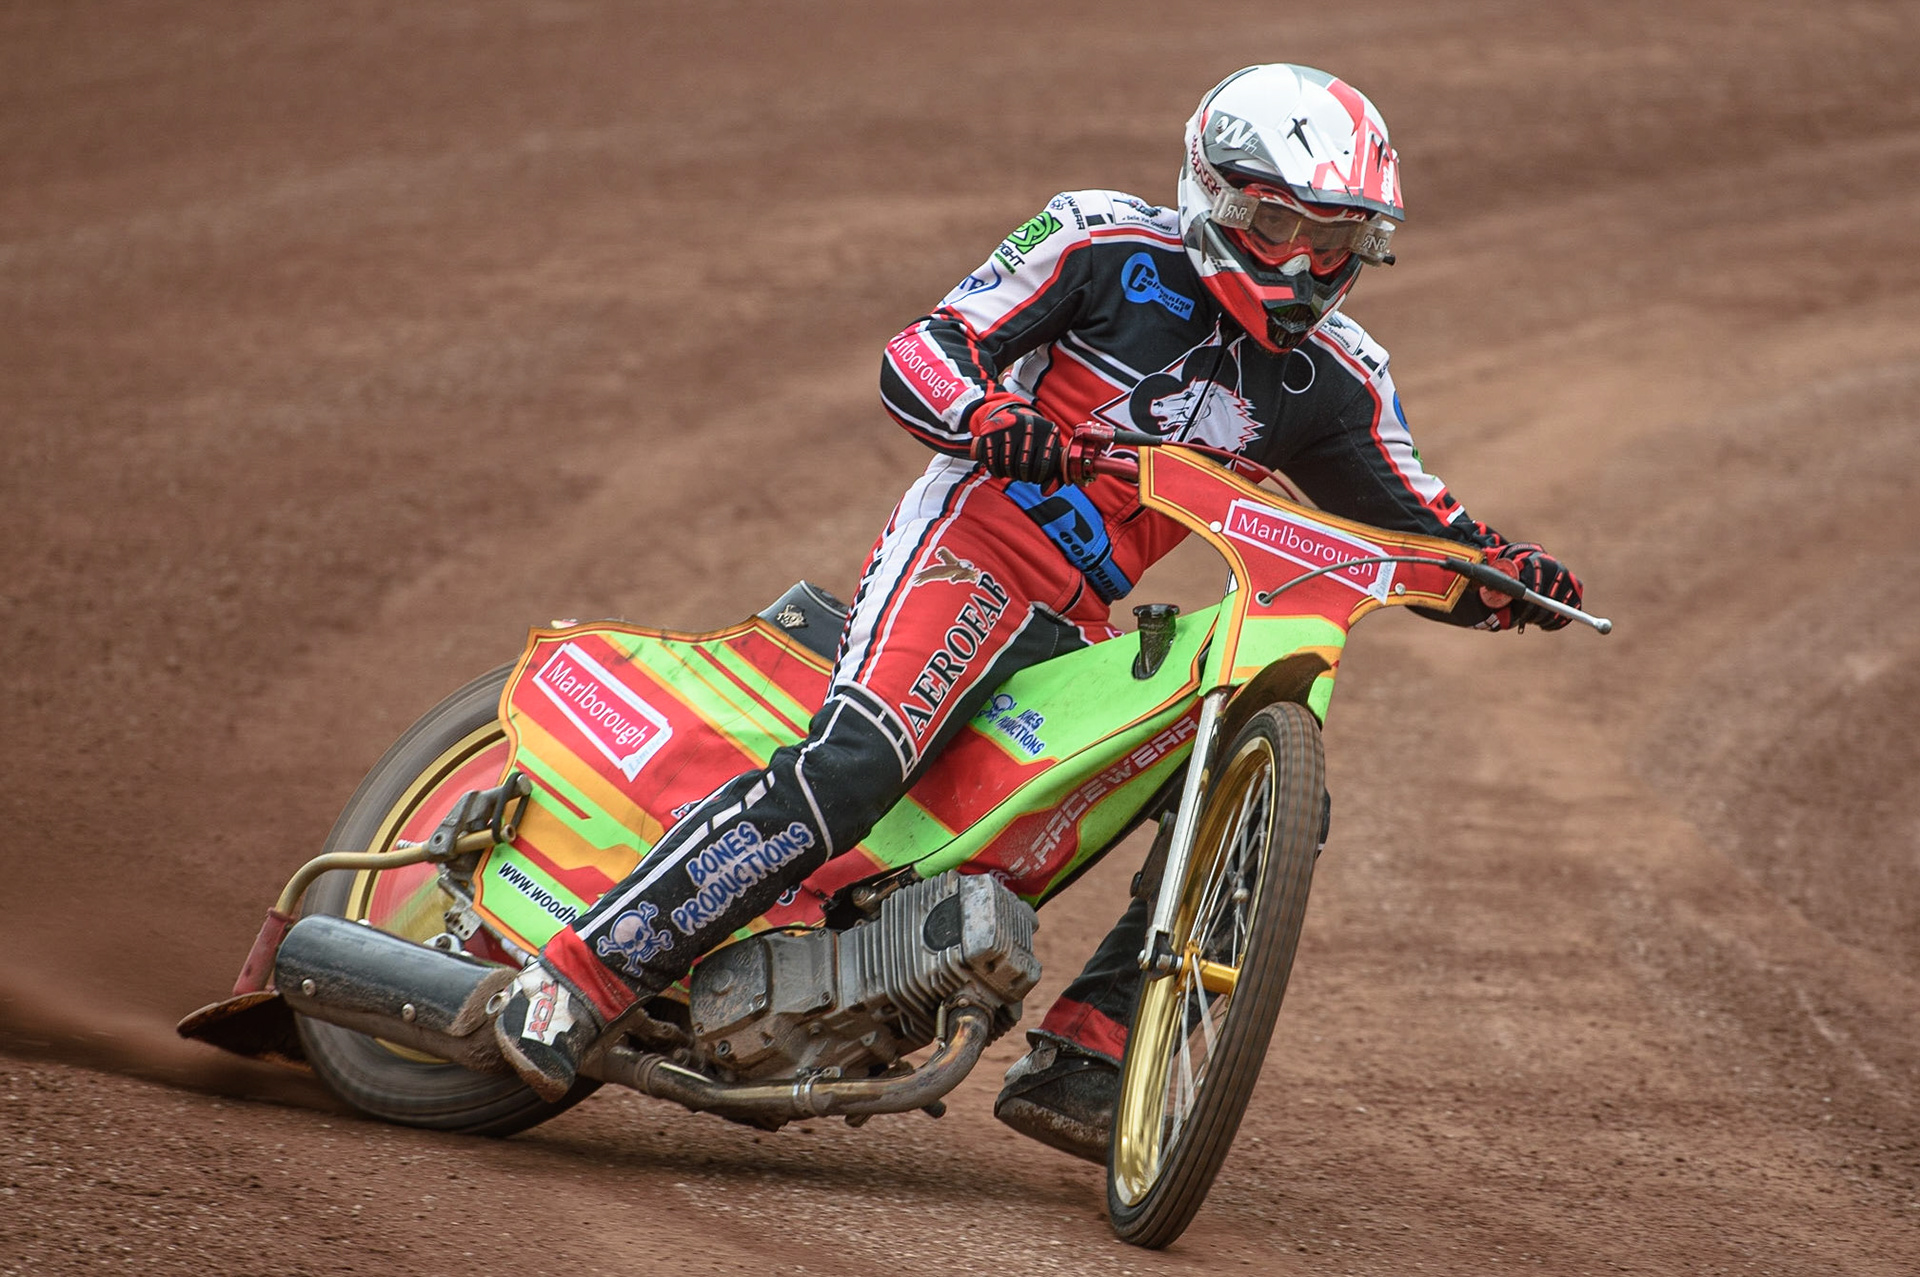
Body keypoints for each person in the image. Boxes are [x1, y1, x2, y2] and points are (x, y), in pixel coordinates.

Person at [490, 64, 1585, 1160]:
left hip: (1084, 620)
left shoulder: (1340, 380)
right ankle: (578, 976)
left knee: (1260, 798)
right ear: (1213, 192)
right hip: (970, 549)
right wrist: (988, 413)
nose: (1303, 263)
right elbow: (923, 350)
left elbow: (1431, 532)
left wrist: (1512, 581)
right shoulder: (1096, 240)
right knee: (857, 765)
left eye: (1335, 239)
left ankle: (1089, 1056)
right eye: (1277, 224)